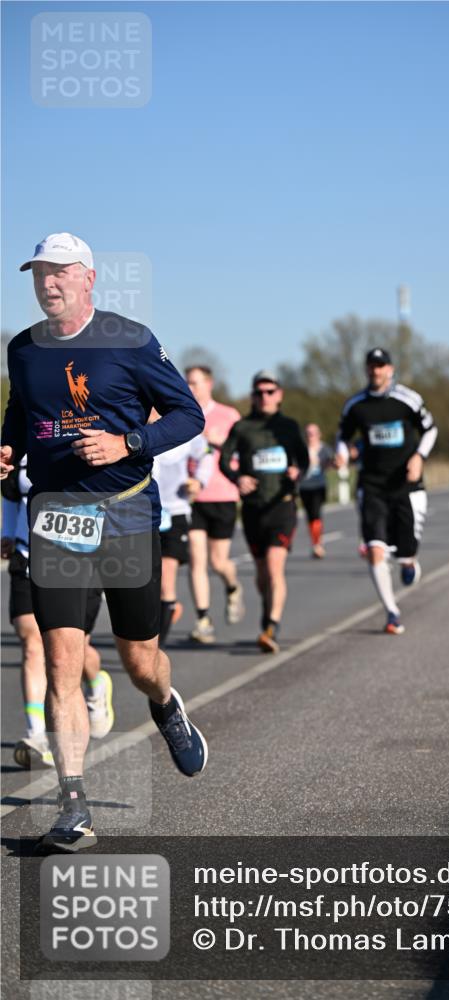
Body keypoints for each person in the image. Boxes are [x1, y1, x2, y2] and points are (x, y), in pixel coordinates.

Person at [0, 232, 208, 853]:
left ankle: (167, 704)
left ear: (89, 278)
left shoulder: (132, 341)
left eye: (60, 272)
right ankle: (73, 805)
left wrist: (129, 444)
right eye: (39, 273)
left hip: (125, 515)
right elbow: (21, 418)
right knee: (62, 658)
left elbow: (188, 415)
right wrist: (9, 451)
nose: (48, 283)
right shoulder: (24, 350)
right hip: (57, 516)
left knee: (139, 658)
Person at [1, 458, 114, 768]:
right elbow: (11, 492)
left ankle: (96, 684)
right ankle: (37, 734)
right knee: (32, 641)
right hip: (29, 554)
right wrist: (8, 533)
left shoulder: (88, 431)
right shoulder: (19, 443)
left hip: (82, 557)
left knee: (72, 650)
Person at [335, 348, 437, 635]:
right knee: (375, 549)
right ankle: (392, 612)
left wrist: (419, 457)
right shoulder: (356, 405)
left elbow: (431, 430)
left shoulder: (407, 399)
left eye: (381, 366)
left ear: (390, 369)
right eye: (371, 366)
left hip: (405, 484)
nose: (375, 371)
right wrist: (342, 453)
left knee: (406, 551)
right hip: (372, 485)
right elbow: (342, 436)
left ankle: (409, 561)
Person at [220, 370, 308, 653]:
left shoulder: (290, 427)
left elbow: (304, 461)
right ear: (253, 396)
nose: (265, 397)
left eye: (270, 392)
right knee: (261, 575)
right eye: (259, 393)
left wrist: (298, 472)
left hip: (281, 505)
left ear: (279, 394)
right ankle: (268, 611)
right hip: (253, 509)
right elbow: (223, 461)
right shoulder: (242, 427)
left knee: (274, 567)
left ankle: (272, 626)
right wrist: (238, 479)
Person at [184, 365, 244, 643]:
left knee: (218, 561)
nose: (191, 388)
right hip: (192, 497)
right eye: (188, 383)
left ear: (209, 384)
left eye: (196, 383)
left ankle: (232, 588)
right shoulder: (181, 414)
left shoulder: (228, 416)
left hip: (223, 495)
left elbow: (245, 452)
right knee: (197, 559)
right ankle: (203, 620)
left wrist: (218, 441)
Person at [150, 411, 214, 647]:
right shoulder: (133, 426)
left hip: (175, 512)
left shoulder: (182, 429)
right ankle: (164, 611)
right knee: (146, 580)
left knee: (166, 579)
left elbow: (207, 453)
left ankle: (157, 646)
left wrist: (199, 480)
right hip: (143, 513)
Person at [300, 423, 334, 558]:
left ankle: (317, 545)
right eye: (308, 433)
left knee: (315, 514)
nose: (311, 436)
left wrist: (330, 463)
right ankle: (316, 543)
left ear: (319, 434)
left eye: (313, 433)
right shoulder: (301, 448)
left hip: (319, 485)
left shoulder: (324, 448)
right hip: (304, 486)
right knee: (310, 516)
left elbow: (332, 462)